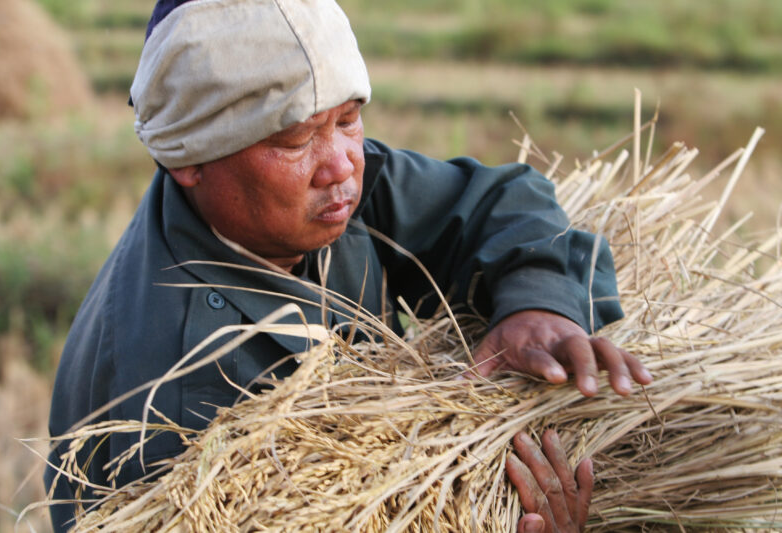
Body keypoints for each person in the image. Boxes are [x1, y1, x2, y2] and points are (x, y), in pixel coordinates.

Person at [44, 0, 652, 530]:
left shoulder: (314, 198)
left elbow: (498, 202)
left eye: (348, 118)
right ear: (190, 159)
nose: (342, 165)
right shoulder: (175, 393)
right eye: (293, 140)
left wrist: (536, 301)